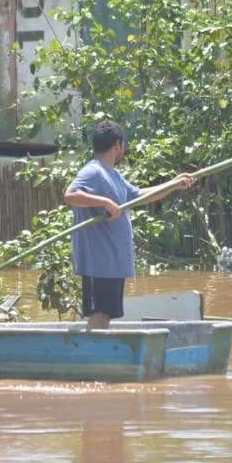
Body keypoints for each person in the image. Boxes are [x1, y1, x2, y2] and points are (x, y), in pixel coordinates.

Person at [64, 120, 196, 330]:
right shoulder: (93, 171)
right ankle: (94, 360)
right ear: (118, 145)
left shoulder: (113, 175)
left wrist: (174, 184)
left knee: (105, 315)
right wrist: (105, 202)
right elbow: (71, 196)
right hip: (100, 263)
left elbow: (140, 195)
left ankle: (99, 356)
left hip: (112, 263)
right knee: (100, 314)